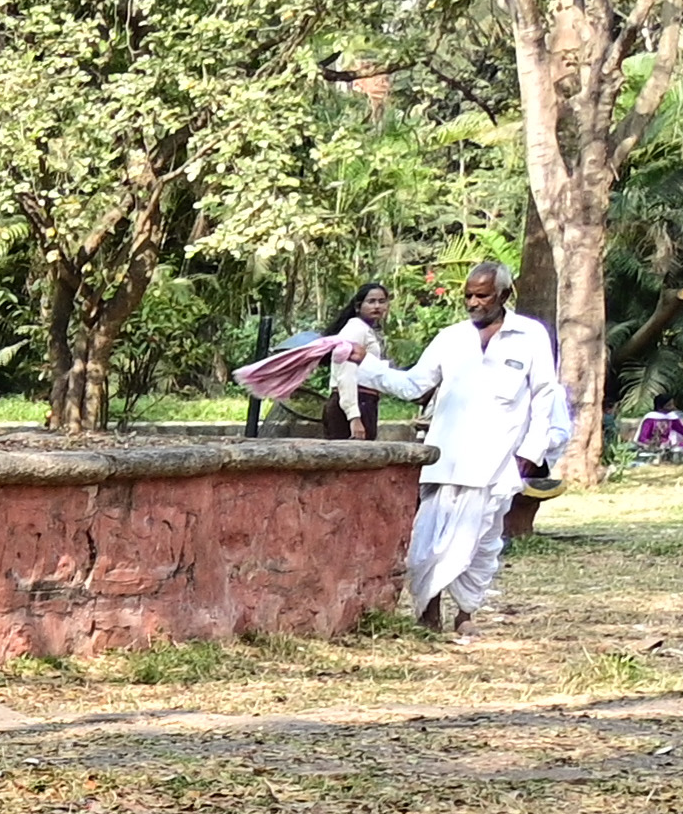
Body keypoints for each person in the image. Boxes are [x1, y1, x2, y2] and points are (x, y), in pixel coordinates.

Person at [361, 263, 567, 637]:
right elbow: (413, 384)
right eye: (469, 295)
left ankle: (466, 613)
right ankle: (429, 612)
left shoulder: (531, 336)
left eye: (482, 295)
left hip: (498, 463)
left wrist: (530, 454)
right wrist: (366, 365)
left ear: (504, 295)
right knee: (425, 546)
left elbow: (545, 397)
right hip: (444, 460)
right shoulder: (451, 338)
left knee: (481, 545)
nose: (473, 302)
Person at [231, 282, 395, 439]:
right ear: (358, 307)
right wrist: (354, 417)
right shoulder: (356, 329)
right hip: (355, 403)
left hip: (364, 401)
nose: (377, 306)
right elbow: (346, 374)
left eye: (381, 301)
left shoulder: (367, 330)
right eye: (371, 301)